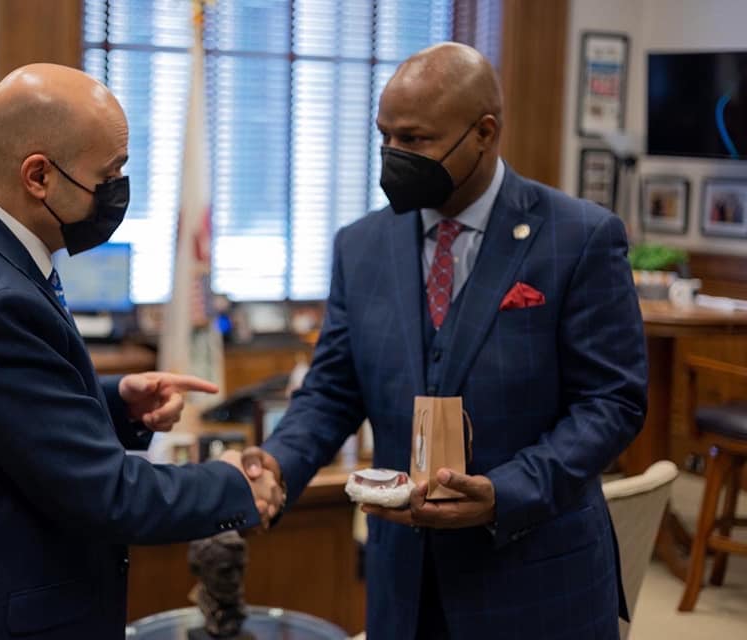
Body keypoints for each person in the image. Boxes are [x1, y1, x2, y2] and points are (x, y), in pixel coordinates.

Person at [241, 43, 647, 639]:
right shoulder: (361, 246)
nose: (393, 155)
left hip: (535, 577)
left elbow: (612, 403)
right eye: (385, 136)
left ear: (484, 133)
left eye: (415, 140)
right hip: (403, 581)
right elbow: (331, 390)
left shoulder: (580, 237)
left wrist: (504, 492)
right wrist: (278, 462)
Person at [0, 63, 283, 640]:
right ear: (38, 176)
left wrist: (117, 402)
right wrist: (231, 484)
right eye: (111, 172)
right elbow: (106, 495)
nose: (119, 189)